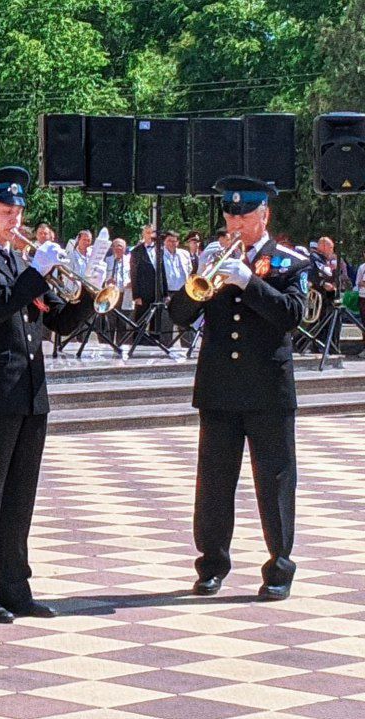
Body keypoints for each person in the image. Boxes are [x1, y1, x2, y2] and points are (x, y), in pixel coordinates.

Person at [0, 166, 95, 623]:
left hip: (31, 393)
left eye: (18, 211)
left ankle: (15, 584)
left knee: (20, 495)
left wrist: (86, 294)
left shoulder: (16, 263)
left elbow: (55, 324)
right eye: (7, 212)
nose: (16, 220)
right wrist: (34, 272)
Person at [168, 176, 310, 602]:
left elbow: (291, 316)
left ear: (264, 215)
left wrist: (249, 282)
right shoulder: (212, 259)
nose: (235, 222)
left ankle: (279, 566)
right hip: (220, 390)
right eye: (230, 215)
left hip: (268, 390)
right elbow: (179, 313)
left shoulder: (289, 262)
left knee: (276, 480)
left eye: (245, 215)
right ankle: (211, 564)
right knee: (213, 482)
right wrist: (200, 275)